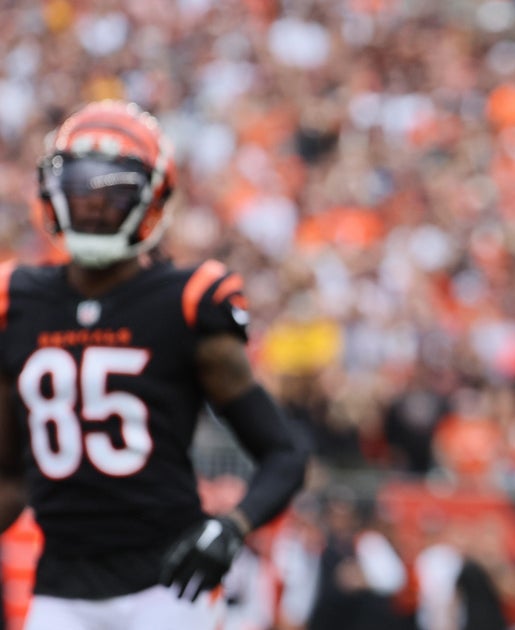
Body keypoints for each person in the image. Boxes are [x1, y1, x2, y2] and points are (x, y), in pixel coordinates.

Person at [0, 100, 310, 629]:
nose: (93, 206)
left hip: (166, 585)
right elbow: (10, 475)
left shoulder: (185, 302)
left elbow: (283, 451)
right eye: (78, 186)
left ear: (152, 199)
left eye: (112, 191)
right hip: (60, 585)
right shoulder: (17, 301)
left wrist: (232, 527)